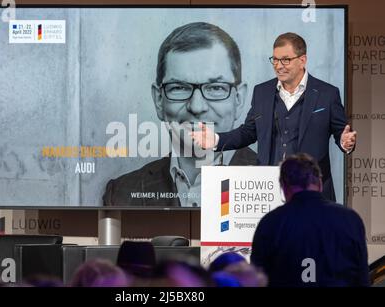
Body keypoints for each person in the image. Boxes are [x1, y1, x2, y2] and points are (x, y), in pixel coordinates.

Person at [103, 22, 256, 207]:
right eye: (179, 88)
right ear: (159, 100)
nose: (197, 107)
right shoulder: (121, 193)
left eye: (216, 87)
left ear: (239, 99)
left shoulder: (279, 184)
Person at [190, 32, 356, 201]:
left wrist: (344, 141)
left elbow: (340, 132)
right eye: (275, 60)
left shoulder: (327, 94)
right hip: (269, 190)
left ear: (302, 60)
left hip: (313, 190)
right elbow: (248, 132)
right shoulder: (262, 92)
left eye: (285, 59)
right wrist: (217, 140)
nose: (278, 66)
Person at [250, 153, 369, 287]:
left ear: (283, 186)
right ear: (319, 183)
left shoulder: (270, 223)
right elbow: (362, 279)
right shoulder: (350, 219)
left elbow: (257, 280)